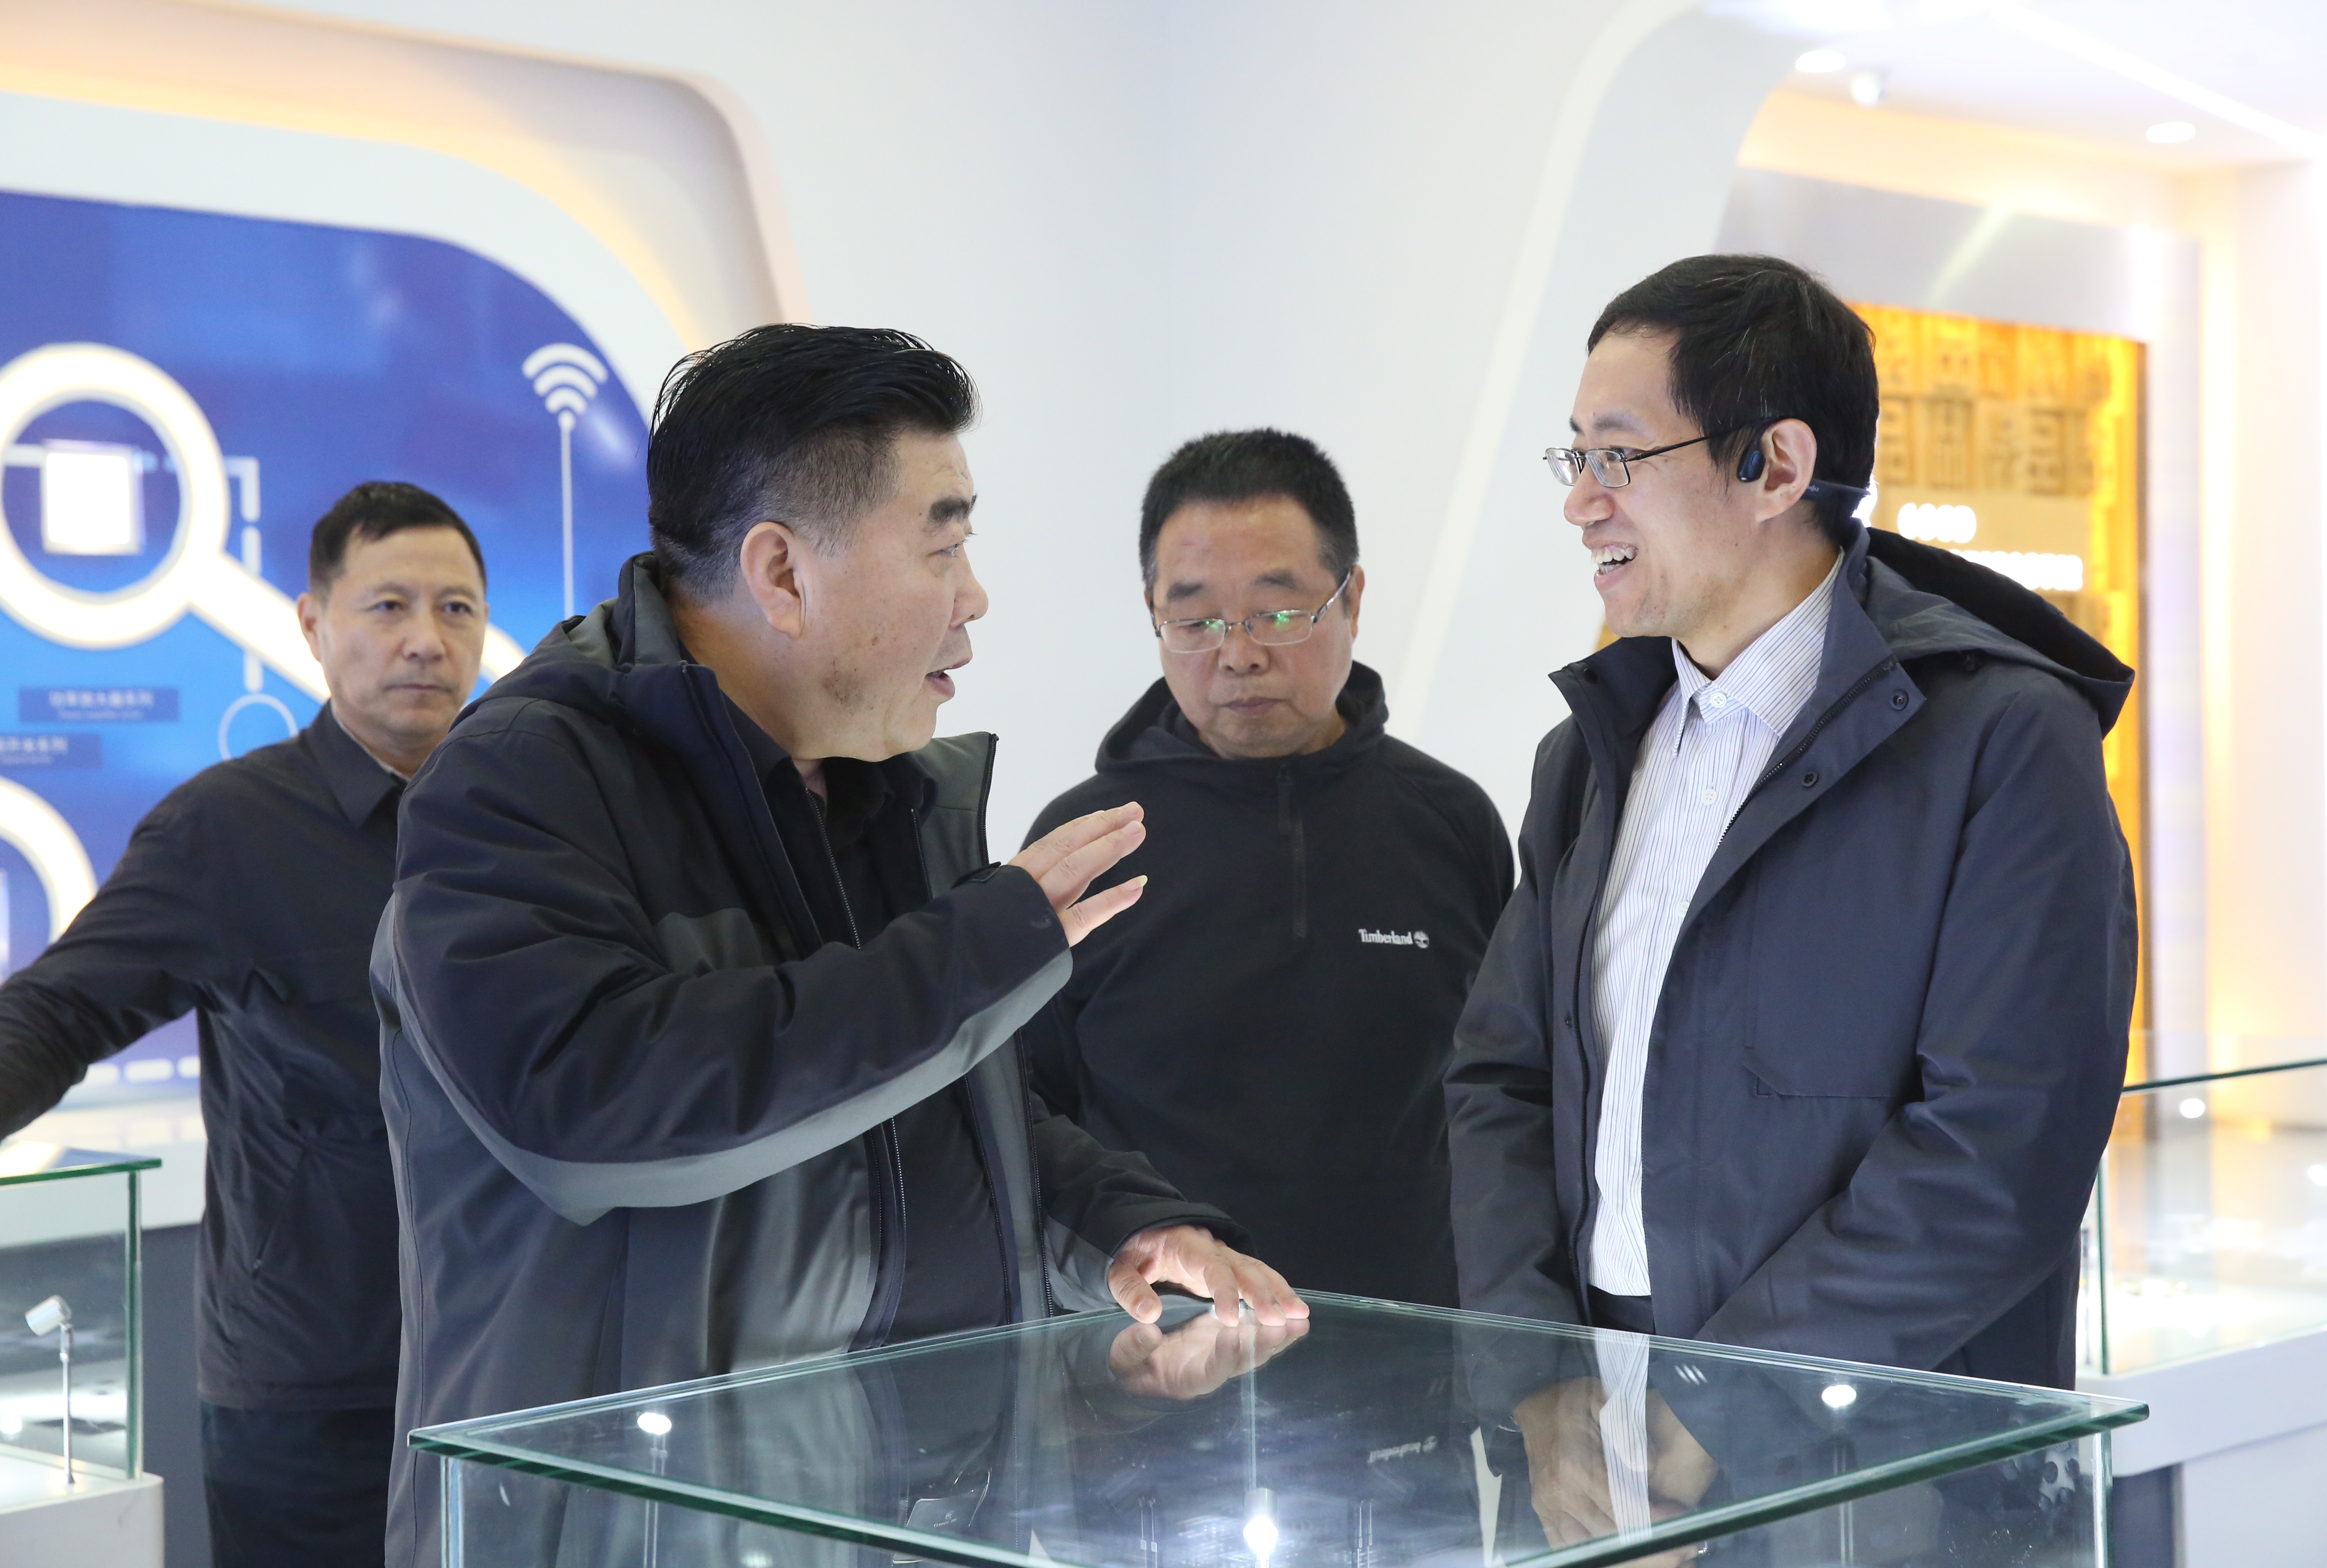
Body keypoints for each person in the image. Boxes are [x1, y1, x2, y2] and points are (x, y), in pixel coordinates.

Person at [373, 325, 1307, 1567]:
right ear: (782, 571)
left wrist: (1122, 1227)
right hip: (627, 1530)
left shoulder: (884, 788)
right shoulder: (521, 781)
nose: (973, 597)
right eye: (943, 545)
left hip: (890, 1519)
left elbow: (939, 1113)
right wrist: (978, 950)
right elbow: (587, 1106)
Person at [1446, 253, 2134, 1390]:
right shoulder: (1587, 758)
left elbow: (2002, 1148)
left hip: (1866, 1441)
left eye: (1618, 455)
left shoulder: (2004, 741)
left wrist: (1721, 1411)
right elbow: (1503, 1081)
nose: (1580, 501)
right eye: (1577, 457)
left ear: (1774, 465)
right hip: (1593, 1408)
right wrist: (1538, 1381)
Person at [0, 482, 491, 1567]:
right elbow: (62, 1006)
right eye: (389, 605)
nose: (426, 639)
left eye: (456, 608)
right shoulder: (225, 828)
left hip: (512, 1365)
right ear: (312, 623)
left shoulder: (524, 823)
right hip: (314, 1389)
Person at [1022, 429, 1511, 1306]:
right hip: (1163, 1343)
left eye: (1278, 613)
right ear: (1153, 614)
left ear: (1351, 599)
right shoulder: (1085, 843)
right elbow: (1028, 1118)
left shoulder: (1451, 822)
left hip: (1412, 1335)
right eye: (1195, 621)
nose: (1238, 654)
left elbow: (1506, 1094)